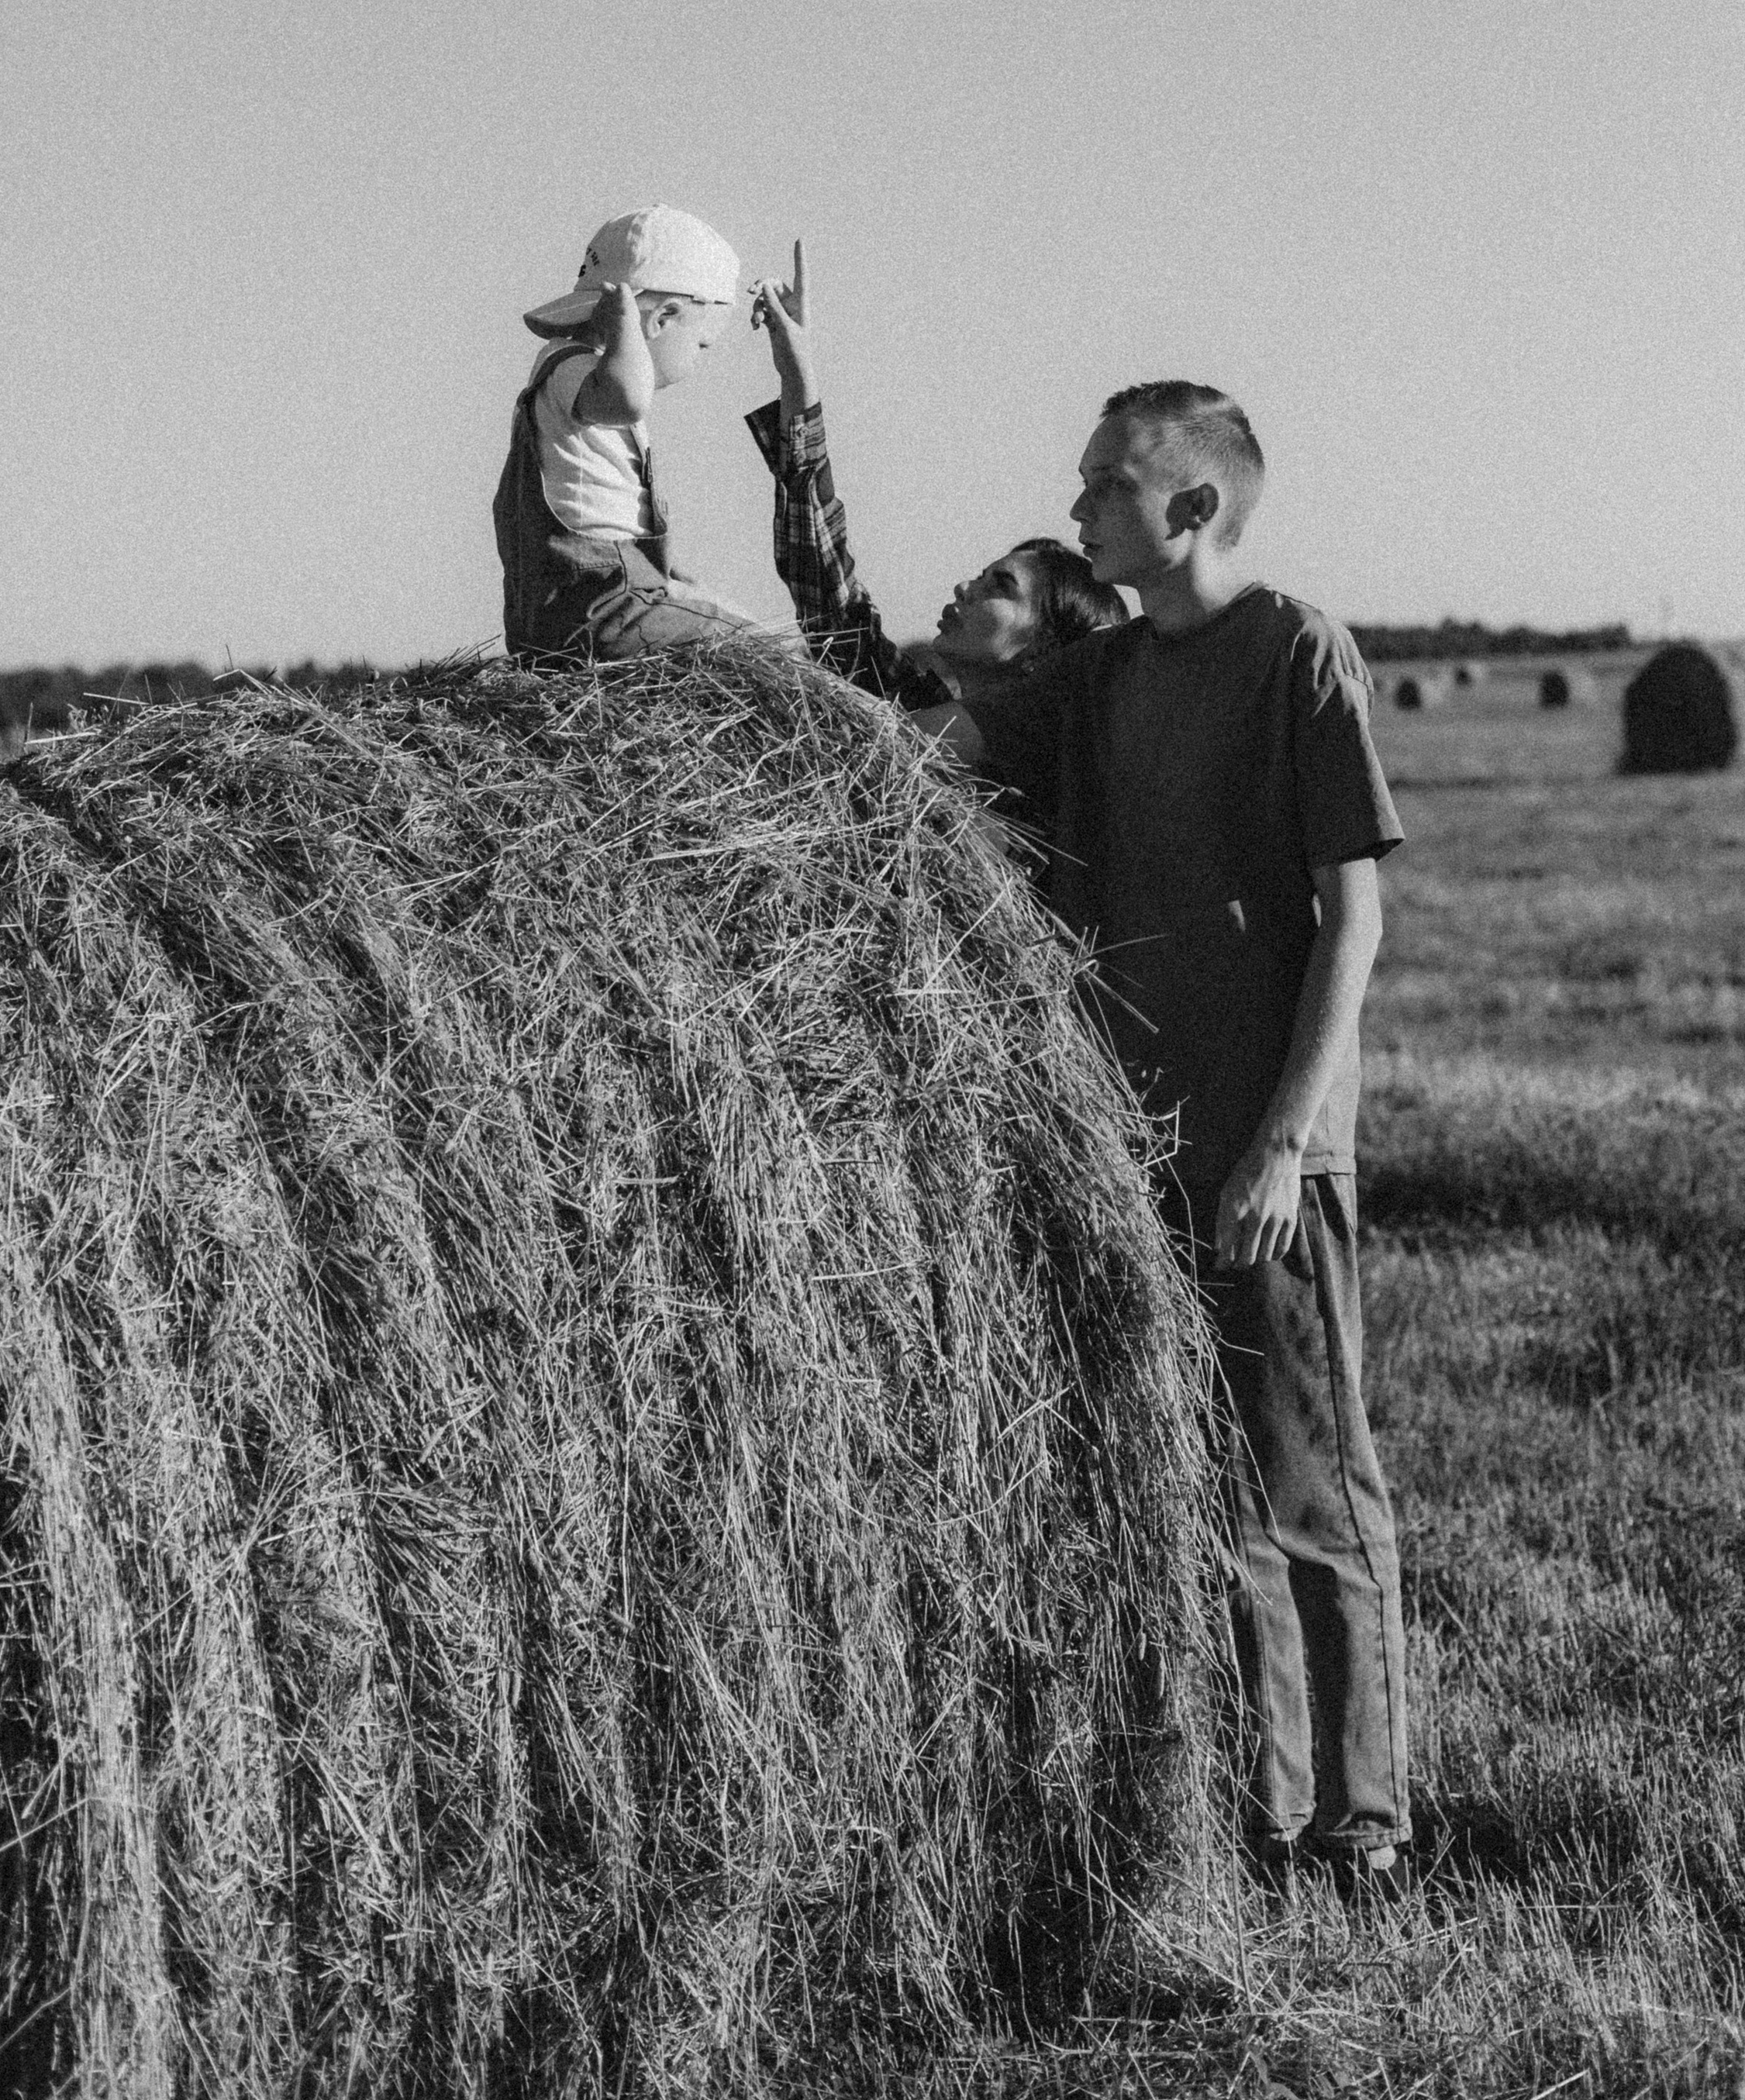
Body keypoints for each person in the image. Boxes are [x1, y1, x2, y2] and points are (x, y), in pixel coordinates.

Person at [916, 381, 1410, 1899]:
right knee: (1210, 1503)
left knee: (1313, 1494)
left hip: (1266, 1149)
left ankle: (1364, 1832)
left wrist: (1281, 1142)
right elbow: (923, 730)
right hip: (1136, 1145)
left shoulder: (1292, 654)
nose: (1072, 511)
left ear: (1188, 508)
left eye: (1100, 486)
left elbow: (1352, 921)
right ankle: (1262, 1828)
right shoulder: (1103, 675)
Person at [745, 242, 1123, 705]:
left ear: (1043, 651)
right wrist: (797, 380)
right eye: (983, 576)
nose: (965, 587)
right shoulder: (914, 709)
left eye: (1000, 587)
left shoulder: (1049, 774)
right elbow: (828, 594)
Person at [495, 203, 754, 663]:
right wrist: (626, 330)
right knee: (761, 643)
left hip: (598, 598)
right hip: (597, 608)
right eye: (702, 345)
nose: (699, 361)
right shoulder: (573, 368)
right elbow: (630, 398)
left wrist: (661, 573)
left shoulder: (583, 386)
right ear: (660, 320)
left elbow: (599, 508)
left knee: (730, 615)